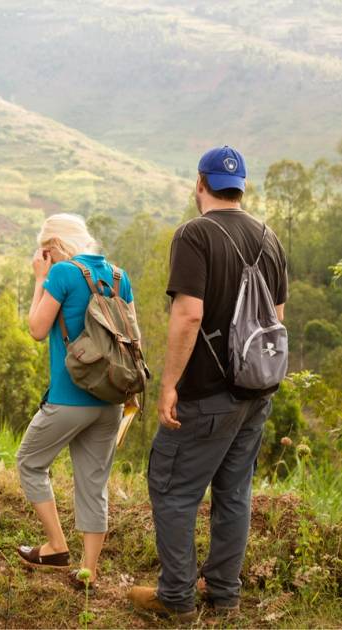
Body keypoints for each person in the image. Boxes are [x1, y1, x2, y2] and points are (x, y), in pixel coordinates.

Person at [129, 146, 288, 619]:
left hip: (206, 393)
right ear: (242, 188)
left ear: (200, 184)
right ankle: (224, 597)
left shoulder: (195, 235)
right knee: (234, 493)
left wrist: (169, 385)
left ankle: (175, 599)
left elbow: (189, 314)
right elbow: (277, 319)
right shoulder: (269, 237)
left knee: (173, 490)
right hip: (256, 390)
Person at [14, 213, 133, 591]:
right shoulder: (118, 276)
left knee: (30, 463)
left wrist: (39, 279)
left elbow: (35, 329)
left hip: (69, 397)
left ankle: (55, 545)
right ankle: (89, 571)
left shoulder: (62, 274)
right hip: (111, 397)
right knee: (93, 483)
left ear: (51, 247)